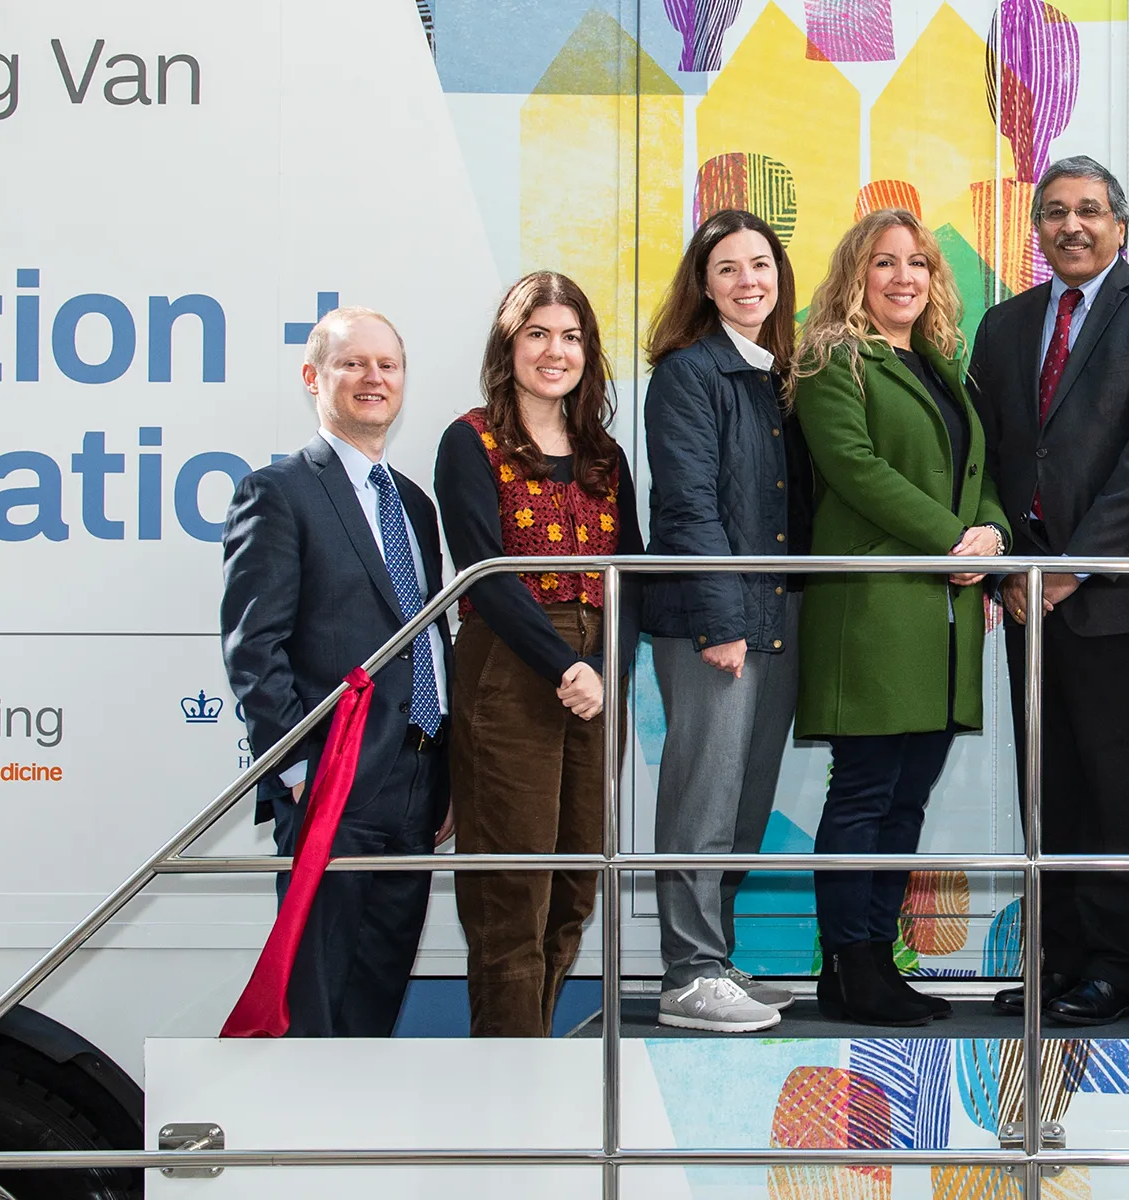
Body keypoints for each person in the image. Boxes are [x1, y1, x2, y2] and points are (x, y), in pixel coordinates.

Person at [970, 155, 1129, 1026]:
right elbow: (987, 459)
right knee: (1050, 789)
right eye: (1055, 213)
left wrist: (1074, 565)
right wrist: (1011, 569)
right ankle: (1058, 960)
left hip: (1115, 600)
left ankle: (1117, 968)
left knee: (1121, 790)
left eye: (1089, 212)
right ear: (1037, 228)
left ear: (1121, 223)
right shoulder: (1003, 326)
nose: (1071, 226)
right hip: (1027, 598)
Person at [793, 209, 1010, 1027]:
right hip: (875, 610)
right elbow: (854, 468)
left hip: (942, 612)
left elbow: (974, 470)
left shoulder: (941, 365)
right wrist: (957, 538)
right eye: (884, 263)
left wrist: (992, 531)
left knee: (905, 798)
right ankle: (849, 966)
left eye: (917, 263)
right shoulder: (831, 362)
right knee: (864, 792)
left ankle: (873, 963)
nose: (904, 277)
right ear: (857, 273)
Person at [220, 307, 450, 1037]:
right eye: (353, 363)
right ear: (314, 377)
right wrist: (300, 773)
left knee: (378, 989)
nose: (373, 378)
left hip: (417, 781)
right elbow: (253, 647)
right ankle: (304, 1150)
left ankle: (353, 1146)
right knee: (313, 998)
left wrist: (447, 772)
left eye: (388, 364)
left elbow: (428, 637)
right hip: (334, 781)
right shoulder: (279, 491)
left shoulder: (412, 503)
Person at [433, 271, 643, 1038]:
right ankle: (506, 1076)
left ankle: (536, 1059)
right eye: (538, 335)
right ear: (509, 344)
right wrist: (566, 669)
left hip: (594, 674)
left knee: (573, 887)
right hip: (513, 668)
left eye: (572, 337)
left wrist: (606, 673)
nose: (556, 352)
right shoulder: (470, 439)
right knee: (510, 892)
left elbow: (633, 574)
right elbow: (484, 576)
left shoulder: (604, 454)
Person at [641, 209, 814, 1033]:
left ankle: (719, 957)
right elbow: (688, 507)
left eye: (761, 266)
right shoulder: (689, 372)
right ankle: (688, 973)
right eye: (728, 270)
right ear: (703, 287)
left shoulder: (775, 372)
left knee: (745, 804)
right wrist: (720, 619)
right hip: (714, 623)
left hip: (772, 617)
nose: (749, 281)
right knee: (701, 800)